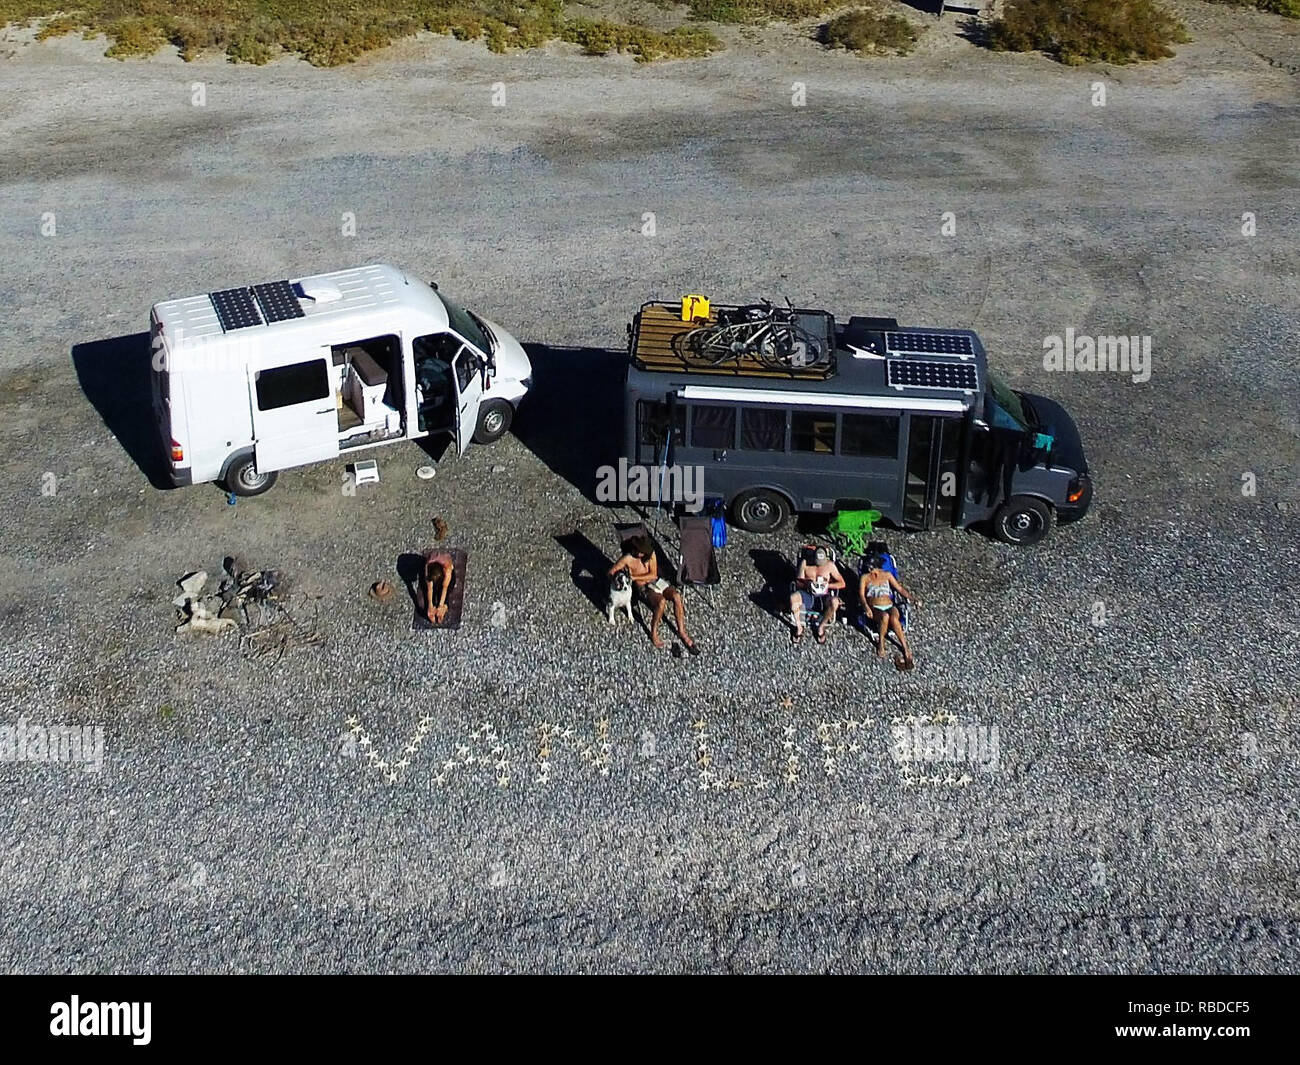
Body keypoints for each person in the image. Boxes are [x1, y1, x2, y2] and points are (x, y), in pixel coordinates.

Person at [608, 535, 699, 654]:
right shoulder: (628, 559)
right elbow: (611, 572)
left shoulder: (651, 555)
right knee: (661, 602)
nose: (643, 555)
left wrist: (634, 577)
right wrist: (616, 582)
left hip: (655, 582)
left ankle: (681, 631)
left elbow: (653, 575)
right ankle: (654, 632)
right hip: (643, 587)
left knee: (676, 596)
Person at [859, 554, 917, 668]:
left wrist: (912, 598)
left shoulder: (887, 575)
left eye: (871, 567)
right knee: (884, 616)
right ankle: (881, 643)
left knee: (894, 618)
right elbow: (861, 595)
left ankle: (905, 647)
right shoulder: (865, 578)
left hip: (889, 605)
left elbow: (899, 588)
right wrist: (866, 606)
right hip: (875, 607)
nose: (870, 569)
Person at [790, 546, 846, 644]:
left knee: (835, 602)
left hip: (824, 596)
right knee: (793, 598)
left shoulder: (830, 566)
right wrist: (808, 584)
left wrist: (828, 585)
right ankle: (799, 627)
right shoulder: (805, 564)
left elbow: (842, 583)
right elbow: (798, 582)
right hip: (808, 593)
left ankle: (821, 627)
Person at [423, 549, 455, 625]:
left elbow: (445, 587)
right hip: (435, 567)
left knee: (449, 588)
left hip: (447, 570)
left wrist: (441, 606)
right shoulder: (428, 566)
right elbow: (429, 588)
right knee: (432, 590)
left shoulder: (447, 568)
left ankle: (446, 606)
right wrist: (430, 605)